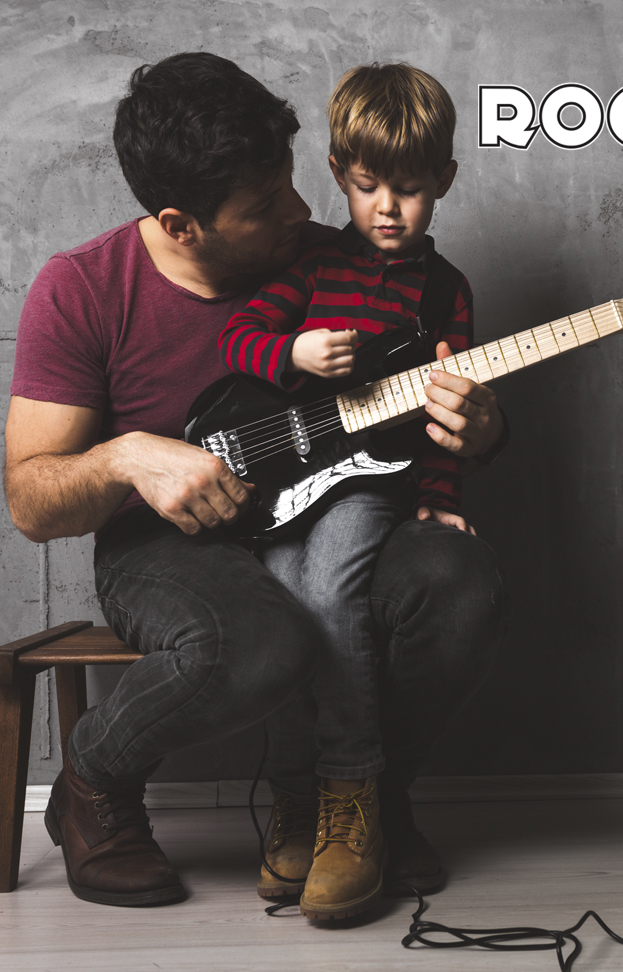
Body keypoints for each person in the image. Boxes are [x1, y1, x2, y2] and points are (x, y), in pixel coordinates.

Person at [4, 52, 507, 915]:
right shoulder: (81, 288)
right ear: (181, 223)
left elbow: (424, 398)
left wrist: (483, 426)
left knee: (458, 584)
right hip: (169, 544)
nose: (303, 211)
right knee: (264, 639)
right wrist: (129, 454)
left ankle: (370, 801)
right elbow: (30, 500)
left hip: (325, 506)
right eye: (267, 204)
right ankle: (95, 780)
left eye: (290, 184)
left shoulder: (332, 257)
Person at [217, 63, 481, 919]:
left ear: (443, 180)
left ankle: (350, 795)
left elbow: (449, 407)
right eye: (368, 187)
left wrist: (439, 492)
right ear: (339, 175)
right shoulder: (312, 262)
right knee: (289, 607)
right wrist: (291, 353)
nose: (388, 209)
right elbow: (239, 338)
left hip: (372, 483)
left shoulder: (446, 291)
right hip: (287, 480)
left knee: (329, 593)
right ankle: (298, 801)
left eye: (409, 189)